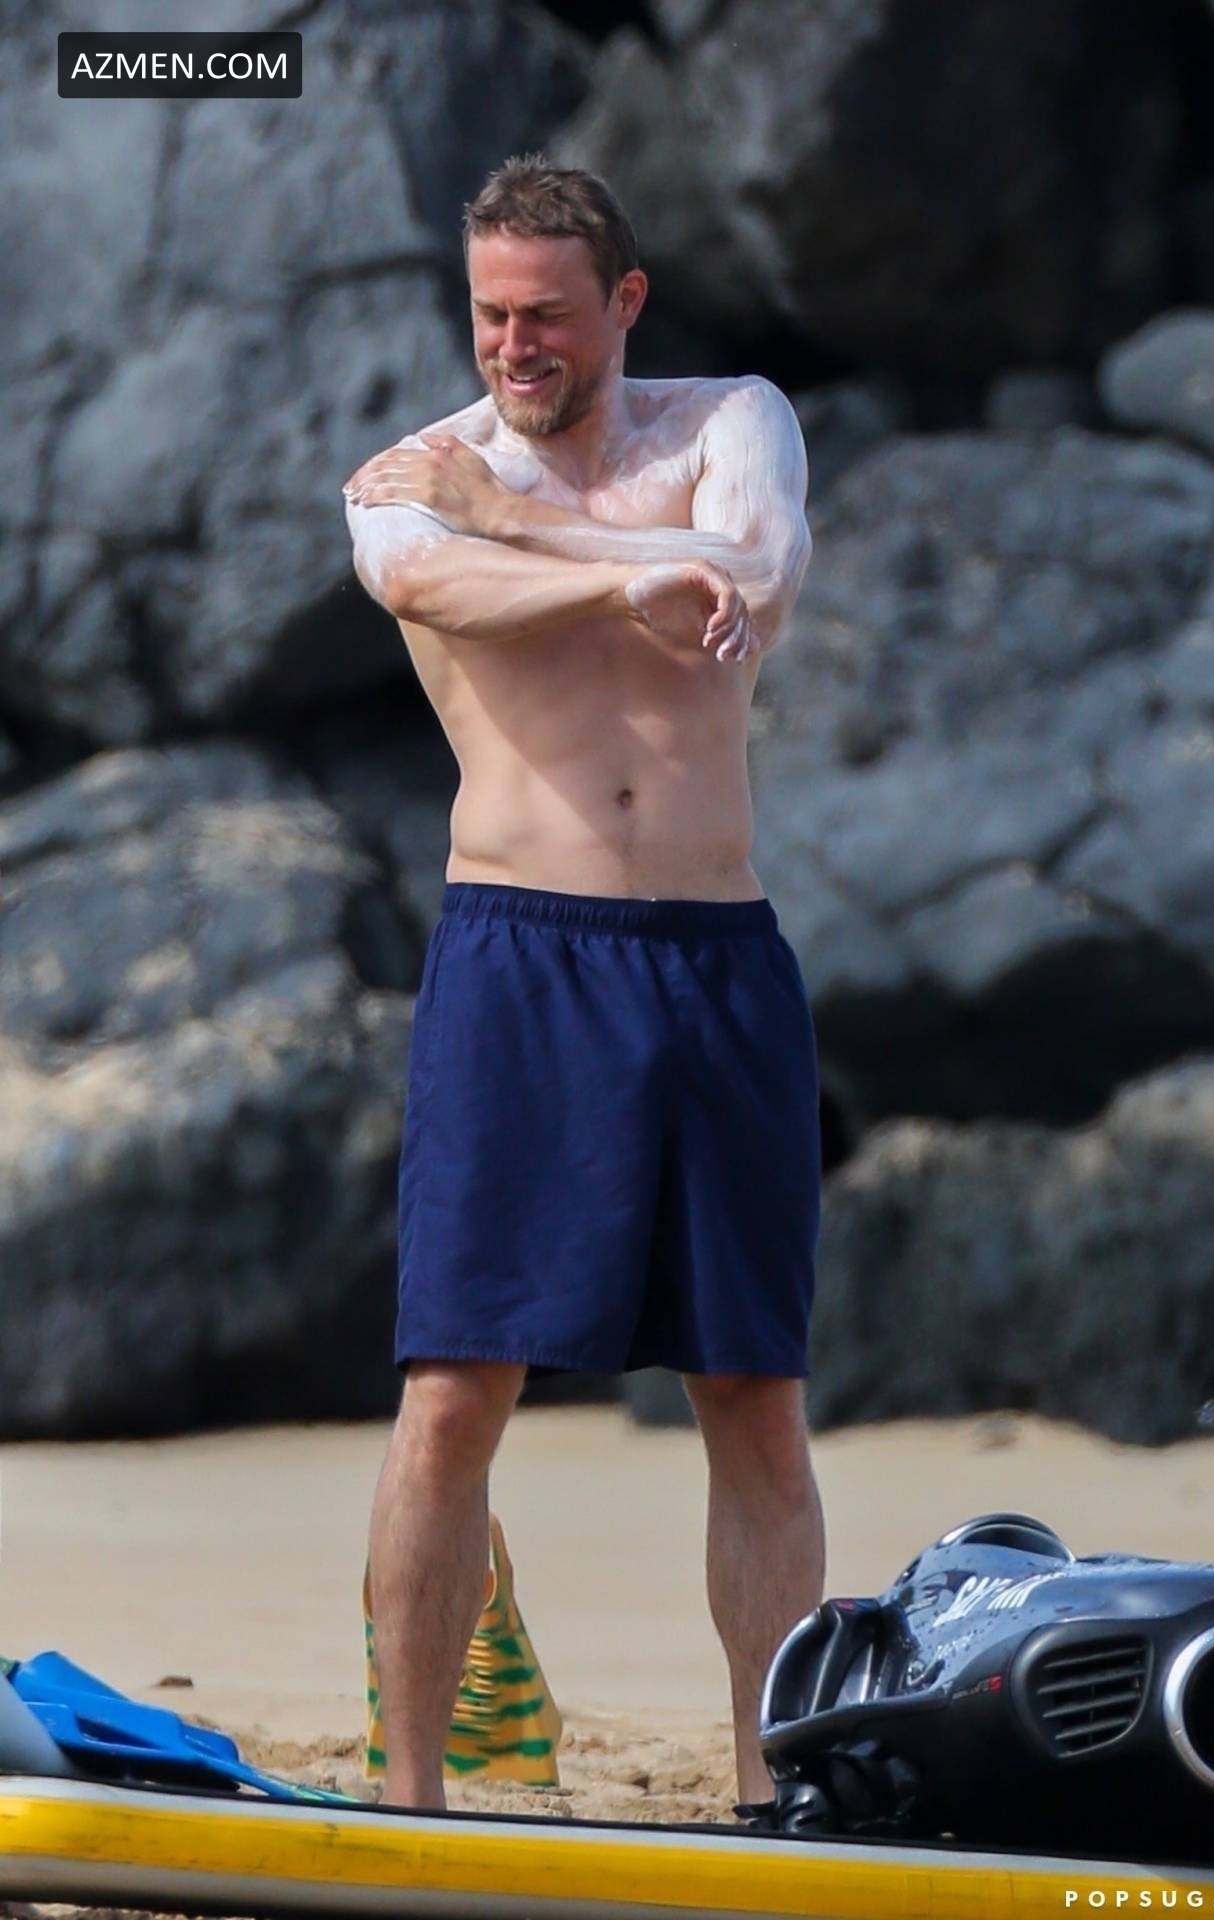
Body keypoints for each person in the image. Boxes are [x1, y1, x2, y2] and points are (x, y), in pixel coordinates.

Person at [343, 153, 824, 1816]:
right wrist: (618, 569)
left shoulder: (734, 420)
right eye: (488, 314)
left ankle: (771, 1794)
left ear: (622, 302)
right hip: (520, 958)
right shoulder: (416, 479)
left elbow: (751, 577)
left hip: (717, 962)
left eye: (544, 314)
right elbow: (429, 580)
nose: (511, 346)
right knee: (453, 1391)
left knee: (753, 1394)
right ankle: (411, 1803)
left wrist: (540, 527)